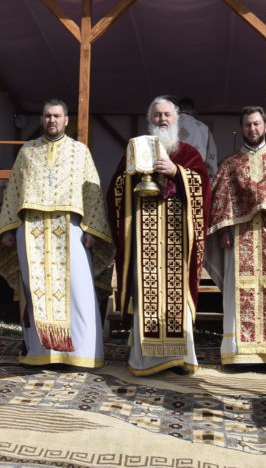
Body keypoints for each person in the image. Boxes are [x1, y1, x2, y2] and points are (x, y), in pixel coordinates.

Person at [0, 99, 114, 367]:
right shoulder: (27, 152)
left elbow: (92, 192)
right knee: (35, 290)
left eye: (57, 116)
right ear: (41, 119)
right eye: (47, 116)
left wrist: (91, 228)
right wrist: (8, 228)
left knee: (78, 291)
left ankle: (82, 353)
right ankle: (40, 352)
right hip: (32, 231)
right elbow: (14, 191)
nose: (52, 121)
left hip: (70, 230)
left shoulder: (80, 151)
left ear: (66, 120)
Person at [108, 95, 210, 375]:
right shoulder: (136, 149)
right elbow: (115, 189)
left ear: (176, 119)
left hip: (178, 237)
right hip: (146, 236)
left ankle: (180, 357)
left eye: (167, 115)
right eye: (157, 115)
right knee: (147, 295)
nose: (162, 119)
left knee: (177, 296)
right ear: (149, 120)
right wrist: (132, 176)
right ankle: (147, 359)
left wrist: (178, 172)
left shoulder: (189, 153)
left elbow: (203, 186)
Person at [207, 106, 266, 366]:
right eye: (248, 125)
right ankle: (240, 354)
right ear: (242, 128)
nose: (253, 129)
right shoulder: (230, 164)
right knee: (239, 292)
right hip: (240, 240)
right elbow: (220, 202)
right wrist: (224, 229)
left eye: (257, 124)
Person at [176, 97, 218, 177]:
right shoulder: (203, 128)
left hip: (171, 174)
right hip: (193, 175)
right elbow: (211, 155)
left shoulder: (166, 126)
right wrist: (212, 172)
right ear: (192, 110)